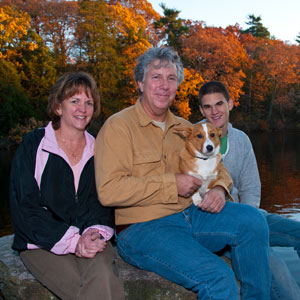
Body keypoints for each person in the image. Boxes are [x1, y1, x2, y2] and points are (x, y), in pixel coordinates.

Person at [94, 46, 271, 300]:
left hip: (191, 215)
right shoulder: (118, 127)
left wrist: (220, 188)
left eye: (171, 78)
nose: (164, 85)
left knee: (254, 221)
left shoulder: (188, 129)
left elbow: (218, 167)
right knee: (218, 277)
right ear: (140, 83)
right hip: (141, 228)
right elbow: (108, 191)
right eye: (156, 77)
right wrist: (170, 185)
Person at [9, 72, 124, 300]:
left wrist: (94, 232)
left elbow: (103, 200)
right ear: (59, 107)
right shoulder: (34, 145)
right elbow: (24, 206)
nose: (83, 108)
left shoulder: (98, 148)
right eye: (75, 101)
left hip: (90, 237)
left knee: (102, 276)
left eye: (88, 102)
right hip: (41, 242)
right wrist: (73, 241)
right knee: (93, 289)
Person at [198, 80, 300, 300]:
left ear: (230, 104)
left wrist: (249, 218)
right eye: (208, 106)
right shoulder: (194, 138)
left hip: (248, 215)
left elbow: (251, 188)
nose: (214, 111)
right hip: (219, 224)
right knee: (283, 281)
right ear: (201, 110)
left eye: (219, 104)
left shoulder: (241, 140)